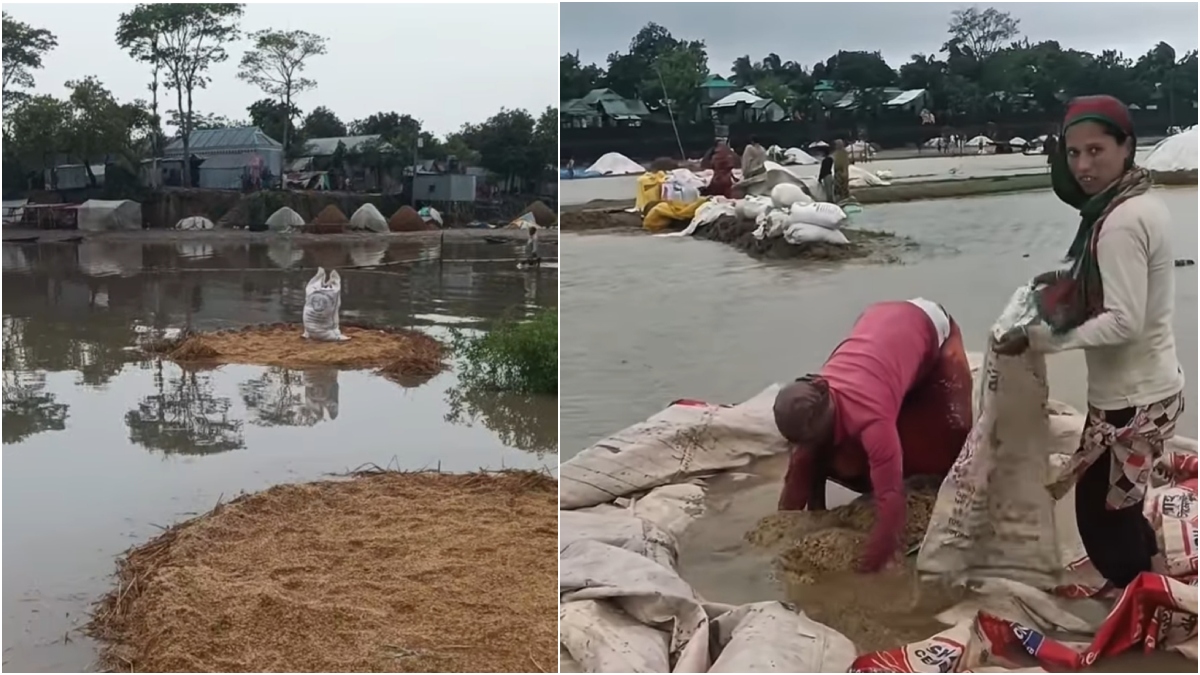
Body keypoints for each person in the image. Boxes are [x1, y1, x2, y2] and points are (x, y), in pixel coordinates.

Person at [994, 95, 1184, 589]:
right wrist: (1063, 281)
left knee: (1101, 522)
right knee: (1121, 504)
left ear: (1127, 147)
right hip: (1147, 391)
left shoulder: (1120, 222)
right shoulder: (1132, 204)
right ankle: (1152, 577)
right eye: (1073, 152)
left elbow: (1123, 321)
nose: (1082, 165)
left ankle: (1149, 608)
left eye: (1096, 150)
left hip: (1132, 402)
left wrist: (1038, 339)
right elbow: (1111, 286)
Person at [773, 299, 973, 573]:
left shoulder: (871, 420)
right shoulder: (816, 397)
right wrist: (789, 533)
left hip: (931, 327)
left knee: (950, 444)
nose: (805, 449)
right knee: (815, 458)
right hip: (878, 323)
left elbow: (891, 499)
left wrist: (873, 561)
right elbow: (791, 498)